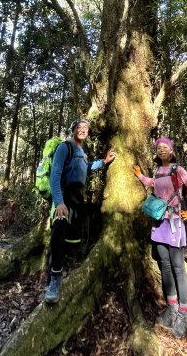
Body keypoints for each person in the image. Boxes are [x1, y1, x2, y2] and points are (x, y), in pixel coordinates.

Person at [133, 136, 187, 338]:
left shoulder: (177, 170)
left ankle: (184, 314)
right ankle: (171, 309)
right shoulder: (158, 170)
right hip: (158, 224)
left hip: (174, 224)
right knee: (165, 265)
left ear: (171, 151)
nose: (162, 150)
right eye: (159, 148)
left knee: (178, 267)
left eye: (165, 147)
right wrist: (140, 177)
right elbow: (154, 183)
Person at [45, 118, 116, 304]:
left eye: (86, 128)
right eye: (79, 127)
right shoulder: (64, 148)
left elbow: (87, 167)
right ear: (73, 130)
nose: (83, 130)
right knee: (58, 232)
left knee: (71, 238)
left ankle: (64, 269)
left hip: (77, 198)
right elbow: (55, 175)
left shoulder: (82, 153)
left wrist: (104, 161)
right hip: (63, 196)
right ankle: (53, 280)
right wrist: (59, 202)